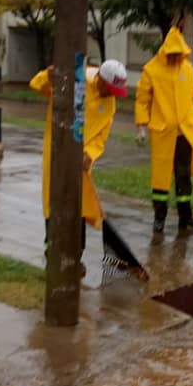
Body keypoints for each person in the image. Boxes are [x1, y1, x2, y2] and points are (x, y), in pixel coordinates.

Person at [29, 58, 129, 266]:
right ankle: (53, 251)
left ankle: (76, 255)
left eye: (115, 92)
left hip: (82, 160)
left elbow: (102, 135)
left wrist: (90, 153)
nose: (111, 95)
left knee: (79, 204)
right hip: (58, 151)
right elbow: (38, 86)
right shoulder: (77, 79)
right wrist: (47, 76)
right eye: (109, 89)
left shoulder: (109, 104)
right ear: (100, 78)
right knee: (54, 198)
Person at [135, 25, 193, 234]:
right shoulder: (151, 70)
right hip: (163, 131)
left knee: (184, 175)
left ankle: (185, 218)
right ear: (165, 52)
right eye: (173, 54)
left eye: (179, 54)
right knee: (160, 176)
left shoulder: (187, 68)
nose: (176, 57)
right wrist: (141, 126)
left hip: (185, 132)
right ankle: (159, 218)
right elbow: (142, 99)